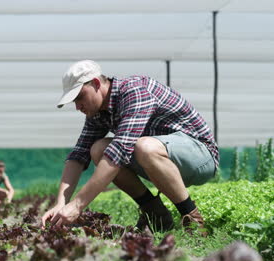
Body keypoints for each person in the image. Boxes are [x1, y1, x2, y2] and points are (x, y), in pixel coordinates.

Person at [41, 60, 219, 236]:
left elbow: (117, 154)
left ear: (96, 83)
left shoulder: (135, 91)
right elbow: (79, 155)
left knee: (143, 147)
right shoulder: (98, 113)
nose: (77, 107)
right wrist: (61, 203)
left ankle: (193, 219)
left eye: (79, 97)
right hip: (163, 159)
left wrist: (78, 205)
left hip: (201, 156)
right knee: (98, 149)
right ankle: (156, 214)